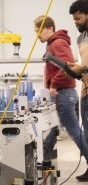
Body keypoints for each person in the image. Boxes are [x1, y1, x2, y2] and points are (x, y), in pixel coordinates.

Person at [34, 15, 88, 182]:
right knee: (52, 133)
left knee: (74, 132)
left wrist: (54, 85)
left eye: (38, 31)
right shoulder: (54, 43)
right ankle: (47, 166)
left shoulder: (57, 43)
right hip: (63, 94)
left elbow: (67, 66)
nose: (37, 36)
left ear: (49, 28)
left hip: (63, 94)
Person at [69, 0, 88, 181]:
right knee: (87, 133)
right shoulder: (80, 38)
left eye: (78, 18)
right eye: (74, 19)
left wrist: (82, 69)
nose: (76, 22)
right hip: (85, 90)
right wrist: (75, 69)